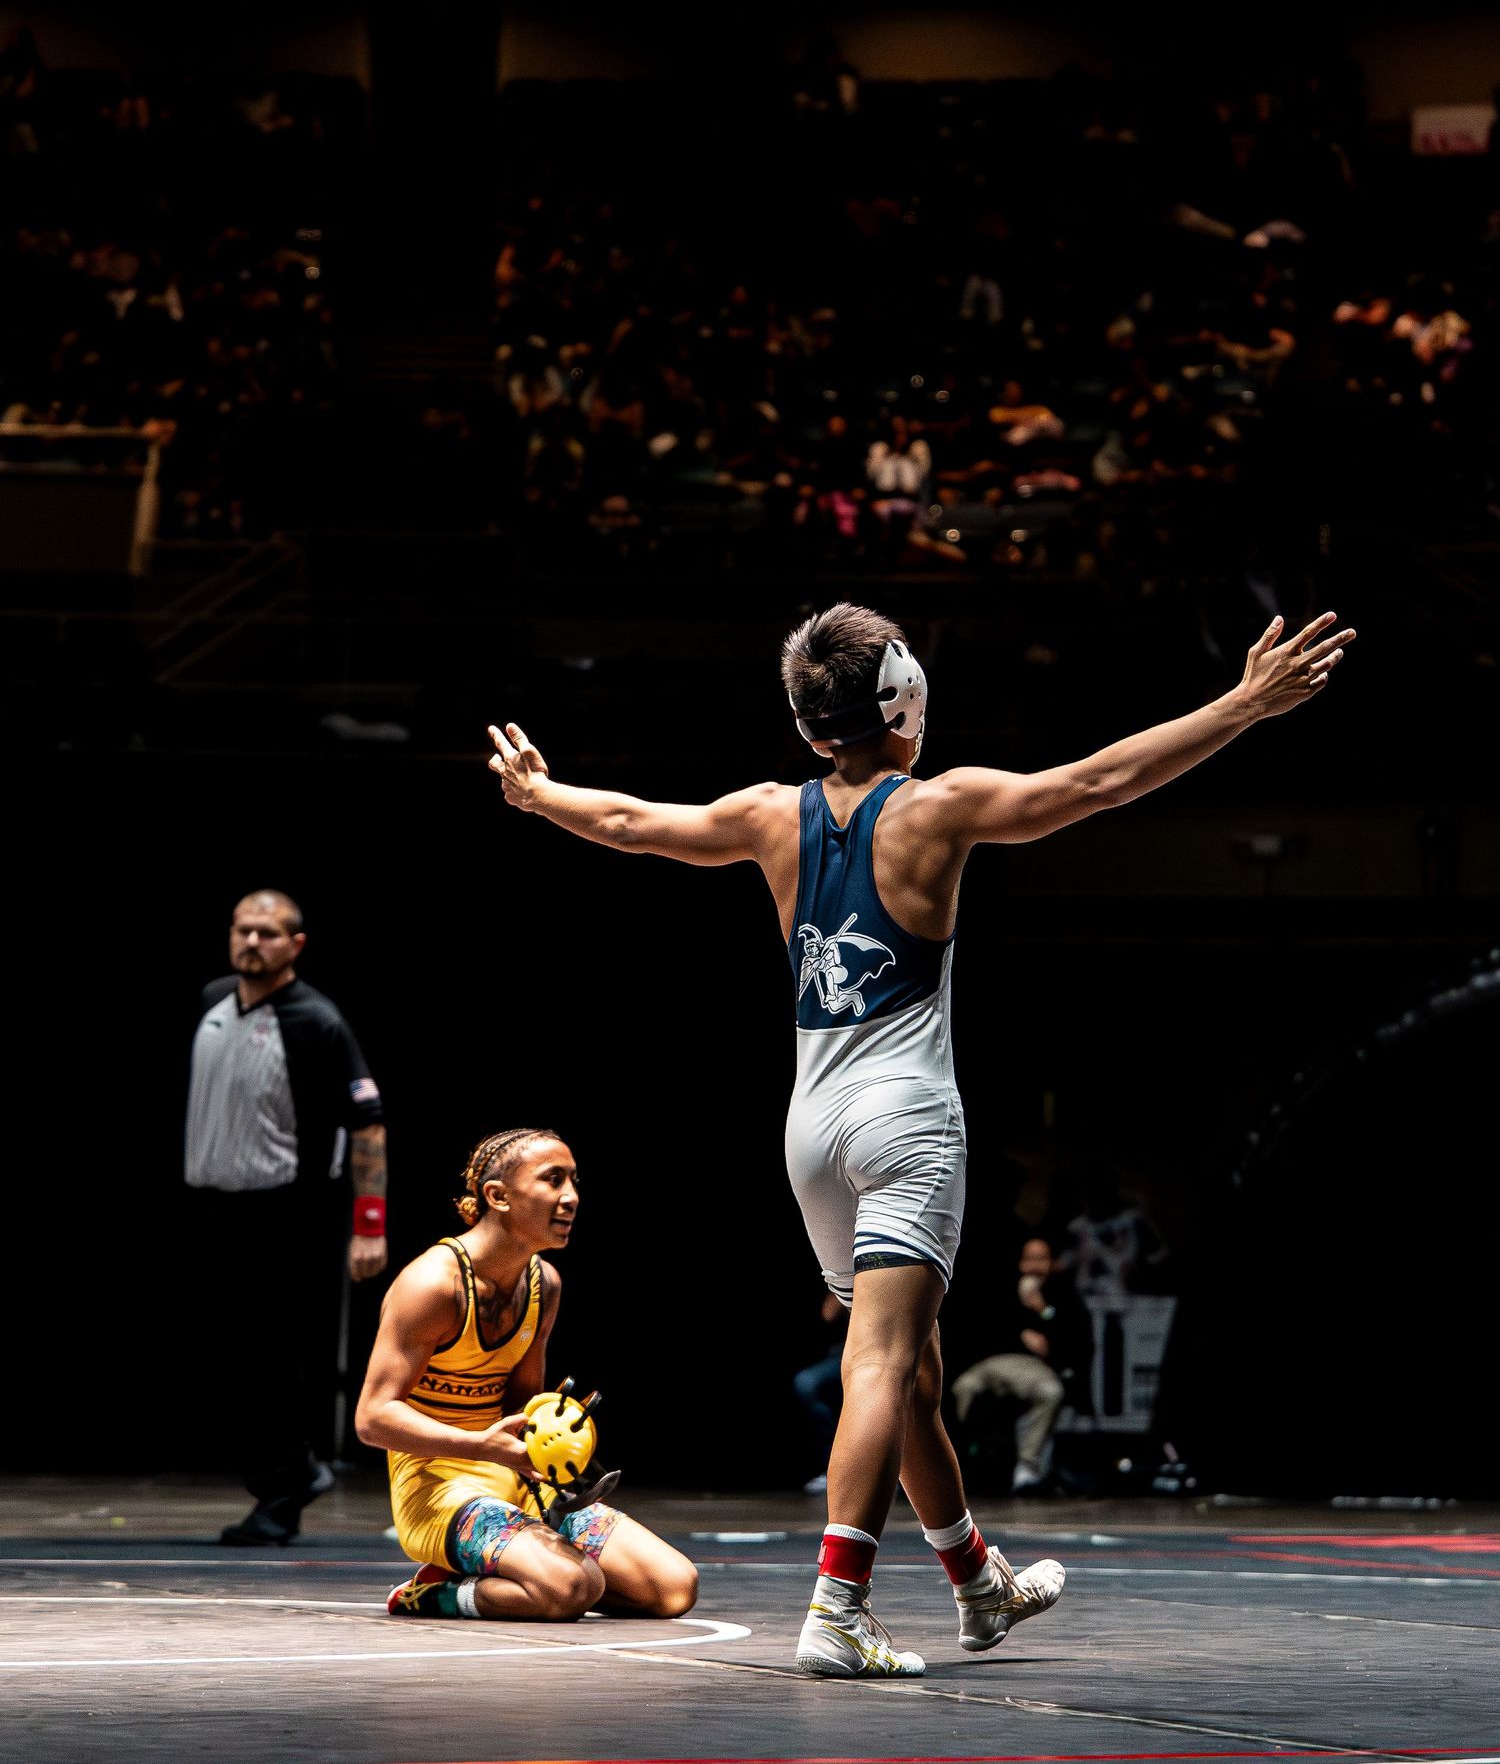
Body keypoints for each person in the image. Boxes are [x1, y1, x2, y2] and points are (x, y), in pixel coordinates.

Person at [486, 597, 1355, 1676]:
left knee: (916, 1379)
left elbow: (626, 822)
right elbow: (1095, 783)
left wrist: (536, 793)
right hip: (904, 1121)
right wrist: (1243, 705)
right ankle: (838, 1610)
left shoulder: (768, 813)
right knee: (882, 1366)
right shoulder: (940, 808)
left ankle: (975, 1583)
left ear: (811, 729)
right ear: (904, 701)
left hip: (812, 1132)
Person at [356, 1128, 698, 1623]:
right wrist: (481, 1447)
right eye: (553, 1180)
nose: (572, 1197)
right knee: (572, 1587)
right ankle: (431, 1593)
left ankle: (531, 1574)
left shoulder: (544, 1285)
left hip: (514, 1479)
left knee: (672, 1589)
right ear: (498, 1196)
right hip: (438, 1488)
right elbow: (372, 1418)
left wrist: (555, 1443)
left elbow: (521, 1402)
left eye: (574, 1181)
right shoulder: (432, 1285)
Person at [185, 889, 389, 1546]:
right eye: (242, 929)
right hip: (216, 1203)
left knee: (274, 1360)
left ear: (295, 944)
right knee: (229, 1358)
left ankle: (289, 1480)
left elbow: (367, 1125)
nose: (252, 942)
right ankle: (286, 1475)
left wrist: (370, 1222)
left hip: (285, 1211)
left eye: (267, 933)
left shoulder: (316, 1019)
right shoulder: (213, 999)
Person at [951, 1236, 1092, 1495]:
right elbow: (983, 1329)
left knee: (1051, 1392)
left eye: (1042, 1259)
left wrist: (1042, 1310)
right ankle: (964, 1464)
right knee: (964, 1387)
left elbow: (1075, 1340)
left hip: (1033, 1368)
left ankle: (1028, 1468)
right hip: (994, 1364)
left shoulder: (1061, 1294)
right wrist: (1019, 1334)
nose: (1035, 1266)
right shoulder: (1003, 1287)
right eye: (1030, 1259)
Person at [793, 1290, 849, 1494]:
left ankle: (888, 1472)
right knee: (807, 1382)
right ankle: (834, 1469)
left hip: (881, 1352)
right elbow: (829, 1314)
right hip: (845, 1352)